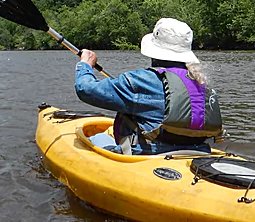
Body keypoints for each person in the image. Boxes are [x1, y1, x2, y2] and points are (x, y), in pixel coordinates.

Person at [74, 18, 223, 155]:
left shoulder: (141, 80)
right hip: (198, 152)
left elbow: (85, 89)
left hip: (148, 156)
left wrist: (86, 64)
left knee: (97, 138)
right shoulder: (200, 81)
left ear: (154, 51)